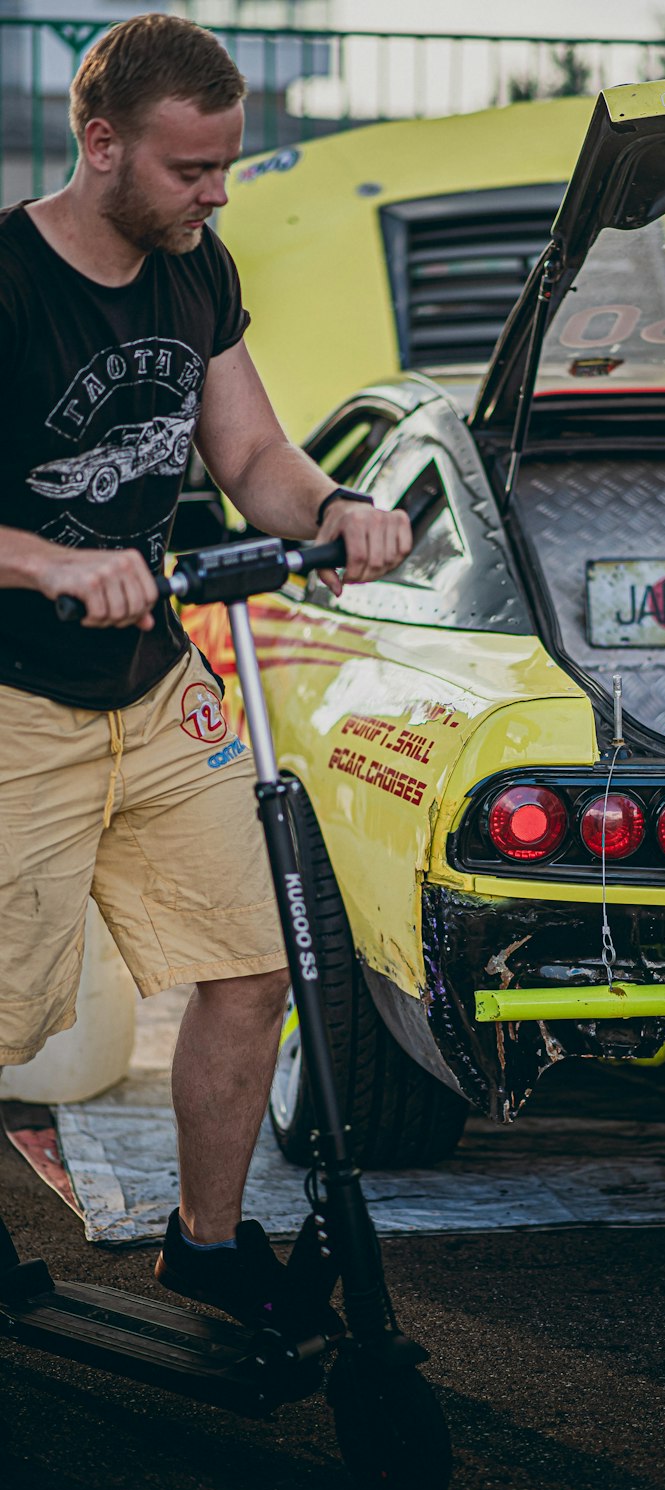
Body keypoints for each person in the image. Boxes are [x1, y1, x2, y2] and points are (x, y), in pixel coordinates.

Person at [0, 13, 410, 1327]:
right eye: (193, 170)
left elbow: (253, 461)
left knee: (250, 961)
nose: (217, 193)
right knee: (4, 1012)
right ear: (102, 141)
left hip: (159, 687)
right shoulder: (9, 284)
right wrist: (48, 563)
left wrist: (336, 508)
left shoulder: (197, 268)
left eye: (227, 165)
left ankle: (208, 1244)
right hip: (17, 701)